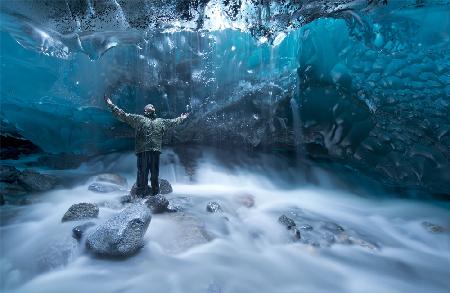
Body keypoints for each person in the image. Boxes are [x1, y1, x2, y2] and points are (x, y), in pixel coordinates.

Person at [104, 95, 188, 197]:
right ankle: (140, 195)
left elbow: (173, 122)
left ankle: (155, 195)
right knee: (142, 173)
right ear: (144, 111)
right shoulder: (139, 119)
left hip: (155, 151)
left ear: (154, 110)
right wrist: (111, 105)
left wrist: (182, 118)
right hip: (143, 150)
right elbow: (123, 115)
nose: (150, 107)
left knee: (154, 174)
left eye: (152, 107)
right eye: (148, 107)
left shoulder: (160, 121)